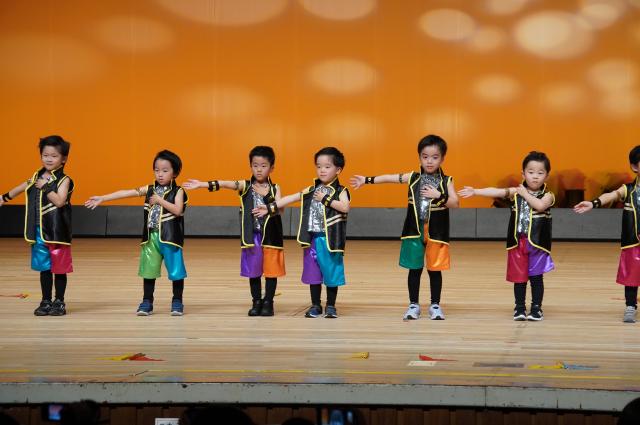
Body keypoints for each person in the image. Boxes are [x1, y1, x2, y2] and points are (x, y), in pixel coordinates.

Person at [350, 135, 458, 320]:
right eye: (425, 156)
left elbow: (455, 203)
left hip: (437, 233)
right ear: (419, 157)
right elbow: (389, 177)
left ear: (442, 159)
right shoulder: (412, 177)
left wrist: (438, 195)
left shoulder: (447, 181)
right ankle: (413, 305)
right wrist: (366, 180)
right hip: (413, 231)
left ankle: (435, 305)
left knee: (435, 270)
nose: (429, 161)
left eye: (434, 157)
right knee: (414, 269)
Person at [184, 146, 285, 316]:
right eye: (255, 165)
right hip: (252, 236)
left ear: (271, 168)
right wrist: (202, 184)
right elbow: (226, 183)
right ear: (250, 166)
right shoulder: (245, 186)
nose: (259, 169)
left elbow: (280, 209)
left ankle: (268, 302)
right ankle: (256, 301)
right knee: (253, 271)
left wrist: (267, 197)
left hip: (270, 236)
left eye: (263, 166)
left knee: (271, 271)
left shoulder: (275, 188)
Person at [85, 150, 188, 316]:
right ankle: (147, 301)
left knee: (176, 271)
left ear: (175, 173)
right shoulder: (149, 189)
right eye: (156, 170)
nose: (160, 174)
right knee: (148, 270)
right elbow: (127, 192)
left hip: (170, 238)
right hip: (151, 237)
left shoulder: (178, 191)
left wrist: (159, 200)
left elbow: (178, 210)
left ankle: (177, 301)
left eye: (165, 170)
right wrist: (103, 198)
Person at [459, 151, 554, 321]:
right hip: (518, 242)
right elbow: (496, 192)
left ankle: (536, 308)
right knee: (519, 278)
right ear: (523, 174)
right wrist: (476, 191)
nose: (535, 176)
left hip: (537, 244)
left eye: (540, 173)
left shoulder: (548, 195)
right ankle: (519, 308)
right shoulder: (516, 192)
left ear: (547, 176)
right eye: (531, 172)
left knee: (536, 277)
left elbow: (540, 206)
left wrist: (524, 194)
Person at [255, 147, 350, 318]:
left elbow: (345, 207)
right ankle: (315, 305)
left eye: (327, 166)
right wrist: (269, 207)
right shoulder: (311, 190)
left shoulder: (341, 191)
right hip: (312, 239)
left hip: (329, 240)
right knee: (313, 274)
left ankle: (330, 306)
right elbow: (290, 198)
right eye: (319, 166)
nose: (322, 170)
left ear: (338, 170)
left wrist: (325, 199)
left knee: (331, 273)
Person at [1, 135, 73, 316]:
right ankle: (46, 300)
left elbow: (60, 201)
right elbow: (21, 187)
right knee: (44, 267)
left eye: (54, 156)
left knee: (59, 268)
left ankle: (59, 301)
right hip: (39, 231)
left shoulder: (64, 180)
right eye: (45, 155)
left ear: (63, 159)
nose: (49, 159)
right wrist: (4, 198)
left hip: (57, 232)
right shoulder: (36, 176)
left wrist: (46, 187)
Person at [574, 145, 640, 323]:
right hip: (633, 242)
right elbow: (611, 195)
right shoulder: (628, 190)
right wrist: (593, 203)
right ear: (635, 167)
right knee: (631, 276)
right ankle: (630, 306)